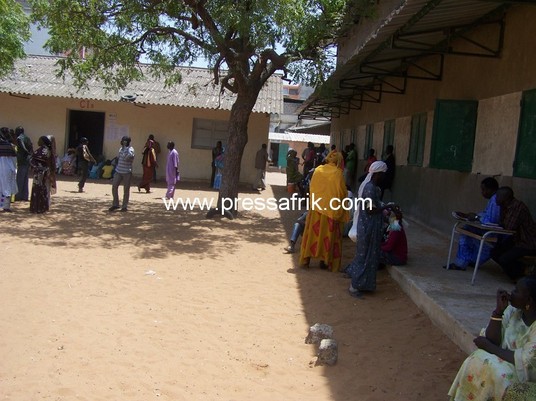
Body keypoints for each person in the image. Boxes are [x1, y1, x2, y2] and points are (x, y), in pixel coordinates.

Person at [448, 277, 536, 401]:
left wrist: (489, 346)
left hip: (526, 375)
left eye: (516, 291)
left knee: (498, 373)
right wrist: (498, 312)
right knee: (476, 358)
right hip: (506, 360)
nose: (511, 293)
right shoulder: (513, 311)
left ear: (529, 300)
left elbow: (526, 362)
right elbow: (492, 339)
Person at [346, 161, 391, 298]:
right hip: (367, 226)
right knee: (363, 256)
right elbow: (370, 209)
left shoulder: (373, 187)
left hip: (370, 225)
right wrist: (387, 207)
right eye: (383, 174)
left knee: (369, 256)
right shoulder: (370, 188)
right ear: (378, 174)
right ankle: (355, 286)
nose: (384, 177)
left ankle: (364, 284)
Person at [299, 151, 348, 272]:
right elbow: (342, 193)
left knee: (311, 236)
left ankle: (306, 261)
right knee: (328, 237)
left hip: (316, 210)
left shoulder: (318, 170)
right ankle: (325, 261)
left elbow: (312, 188)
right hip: (331, 212)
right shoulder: (338, 174)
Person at [445, 177, 501, 271]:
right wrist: (468, 215)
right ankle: (466, 260)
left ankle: (462, 262)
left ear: (490, 189)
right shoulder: (493, 199)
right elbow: (486, 214)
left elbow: (492, 220)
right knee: (466, 229)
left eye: (483, 190)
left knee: (466, 230)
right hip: (489, 230)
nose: (482, 192)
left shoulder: (495, 200)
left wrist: (476, 217)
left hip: (493, 232)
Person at [491, 187, 536, 280]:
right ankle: (518, 269)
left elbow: (508, 228)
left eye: (498, 196)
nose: (495, 199)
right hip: (517, 239)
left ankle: (520, 276)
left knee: (504, 259)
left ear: (505, 198)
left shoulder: (517, 207)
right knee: (494, 252)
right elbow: (501, 223)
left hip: (527, 242)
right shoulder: (504, 206)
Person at [29, 136, 54, 214]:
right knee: (42, 188)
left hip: (40, 172)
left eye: (39, 140)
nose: (38, 141)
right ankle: (41, 207)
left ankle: (37, 207)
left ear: (43, 141)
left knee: (38, 188)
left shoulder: (44, 150)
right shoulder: (46, 150)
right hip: (42, 172)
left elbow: (37, 158)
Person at [109, 136, 135, 212]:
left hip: (127, 172)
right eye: (122, 140)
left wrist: (125, 149)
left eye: (124, 141)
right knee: (114, 187)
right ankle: (115, 204)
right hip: (118, 171)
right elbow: (118, 158)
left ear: (127, 142)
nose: (123, 142)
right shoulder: (121, 149)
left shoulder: (131, 149)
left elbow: (128, 157)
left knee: (126, 189)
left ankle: (124, 206)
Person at [0, 127, 17, 212]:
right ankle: (6, 206)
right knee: (7, 187)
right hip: (7, 169)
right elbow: (14, 158)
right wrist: (14, 169)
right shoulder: (9, 145)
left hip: (3, 169)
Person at [15, 126, 33, 202]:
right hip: (27, 160)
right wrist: (30, 155)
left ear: (19, 131)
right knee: (25, 179)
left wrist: (26, 152)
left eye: (16, 131)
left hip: (22, 160)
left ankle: (18, 196)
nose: (15, 133)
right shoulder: (27, 138)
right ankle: (25, 196)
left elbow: (22, 146)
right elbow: (31, 147)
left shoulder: (19, 138)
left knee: (19, 178)